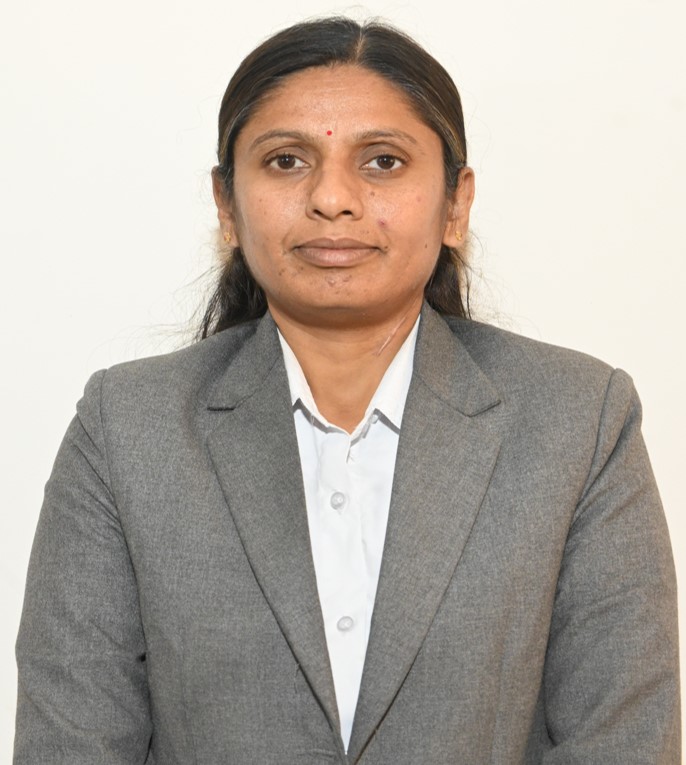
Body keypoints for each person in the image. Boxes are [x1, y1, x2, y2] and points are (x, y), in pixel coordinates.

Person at [14, 16, 680, 764]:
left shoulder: (580, 421)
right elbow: (70, 745)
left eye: (384, 161)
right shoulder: (128, 429)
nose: (333, 198)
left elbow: (625, 742)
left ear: (455, 204)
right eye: (287, 161)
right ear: (227, 205)